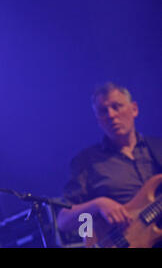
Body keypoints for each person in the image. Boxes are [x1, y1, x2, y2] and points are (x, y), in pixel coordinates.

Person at [57, 82, 162, 237]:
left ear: (134, 109)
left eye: (116, 106)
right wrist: (97, 204)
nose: (111, 115)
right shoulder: (86, 162)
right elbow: (64, 221)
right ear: (98, 120)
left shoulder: (157, 147)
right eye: (103, 111)